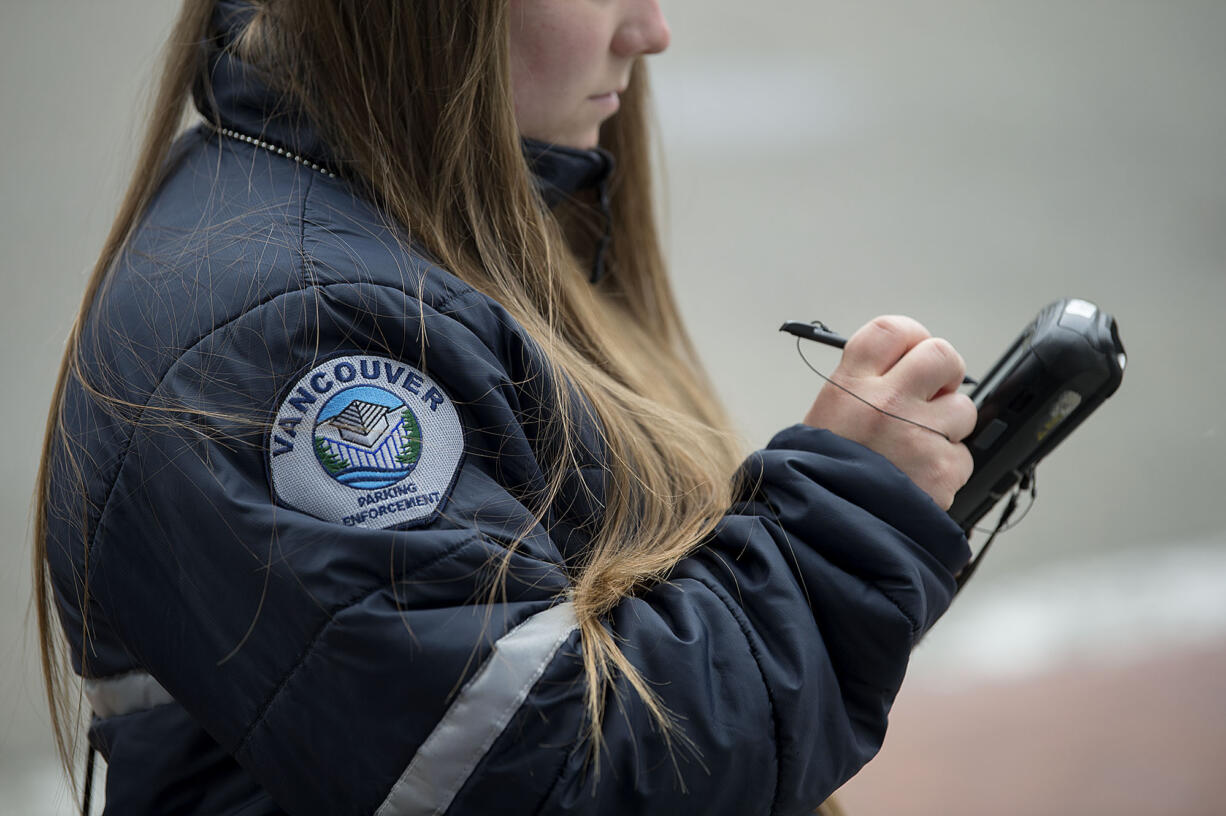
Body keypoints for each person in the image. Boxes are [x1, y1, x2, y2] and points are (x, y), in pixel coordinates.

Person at [34, 0, 977, 813]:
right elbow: (545, 775)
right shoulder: (288, 339)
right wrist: (839, 534)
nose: (652, 31)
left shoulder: (389, 225)